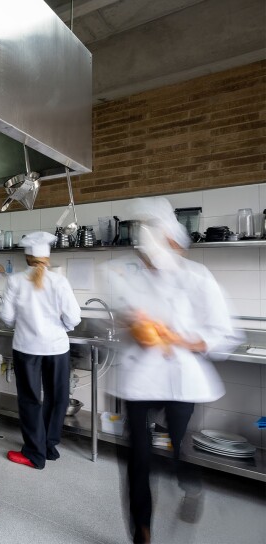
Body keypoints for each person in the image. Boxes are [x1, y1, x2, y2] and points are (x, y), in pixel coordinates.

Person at [106, 197, 240, 544]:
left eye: (156, 242)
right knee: (138, 459)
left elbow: (224, 334)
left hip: (183, 380)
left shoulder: (198, 278)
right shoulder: (130, 276)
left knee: (177, 450)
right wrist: (132, 325)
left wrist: (176, 337)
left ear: (172, 241)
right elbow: (124, 314)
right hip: (139, 380)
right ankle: (142, 534)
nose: (148, 255)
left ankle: (189, 483)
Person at [0, 231, 81, 469]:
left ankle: (34, 453)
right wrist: (60, 328)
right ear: (48, 257)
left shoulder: (15, 281)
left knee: (30, 399)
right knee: (58, 398)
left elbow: (6, 316)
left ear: (26, 257)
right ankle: (48, 447)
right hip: (57, 347)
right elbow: (73, 318)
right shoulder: (60, 281)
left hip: (27, 347)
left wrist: (23, 325)